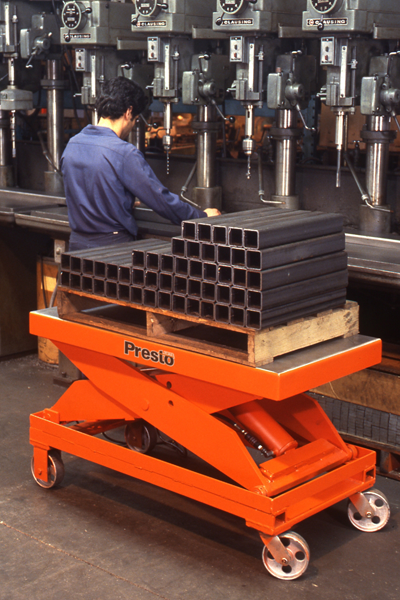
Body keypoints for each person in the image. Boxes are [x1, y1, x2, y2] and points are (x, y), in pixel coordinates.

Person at [61, 77, 220, 251]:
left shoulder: (72, 145)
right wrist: (200, 216)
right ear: (128, 112)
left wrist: (121, 199)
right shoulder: (123, 153)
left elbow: (87, 189)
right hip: (111, 247)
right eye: (136, 119)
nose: (132, 126)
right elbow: (160, 199)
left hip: (76, 245)